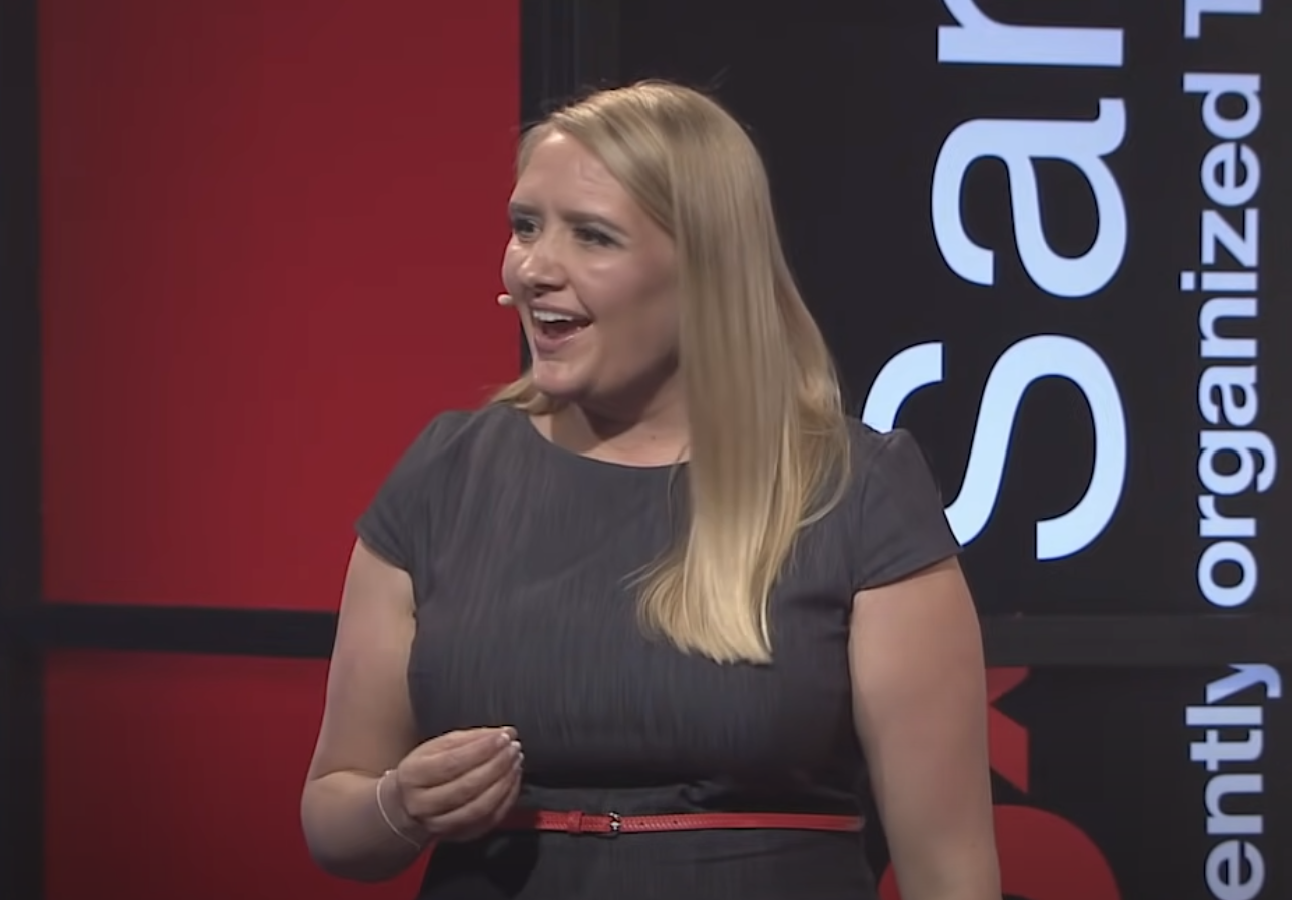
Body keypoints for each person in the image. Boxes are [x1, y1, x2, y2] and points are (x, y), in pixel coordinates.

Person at [300, 79, 1001, 900]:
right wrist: (402, 805)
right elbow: (333, 814)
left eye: (592, 237)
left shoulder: (854, 490)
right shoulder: (445, 473)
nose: (534, 268)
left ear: (707, 271)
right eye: (525, 227)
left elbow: (949, 871)